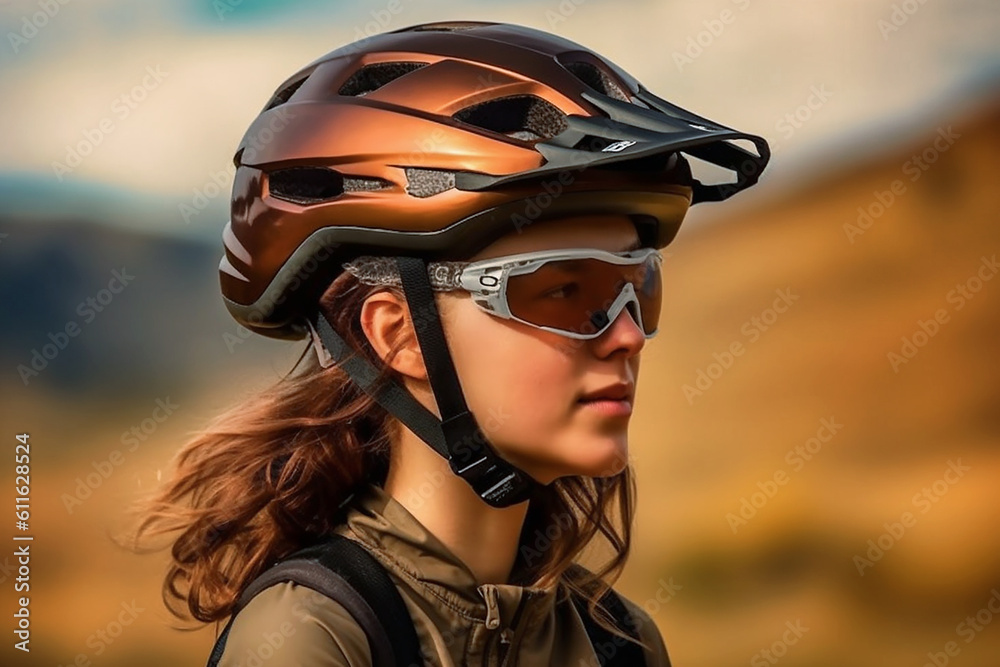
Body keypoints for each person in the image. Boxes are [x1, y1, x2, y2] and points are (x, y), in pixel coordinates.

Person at [131, 19, 768, 667]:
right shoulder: (310, 638)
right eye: (562, 290)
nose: (628, 334)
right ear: (398, 336)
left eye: (638, 286)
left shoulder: (619, 643)